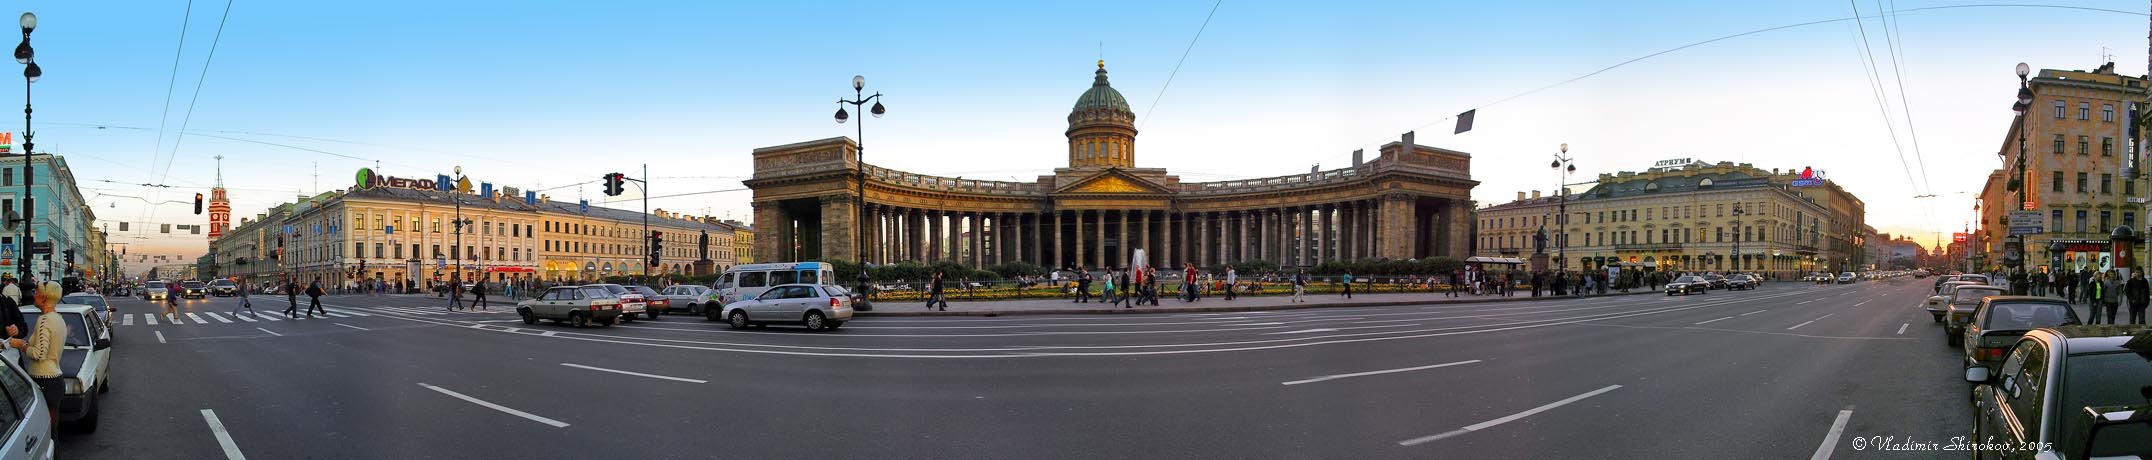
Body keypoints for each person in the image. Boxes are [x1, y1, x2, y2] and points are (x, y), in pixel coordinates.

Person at [25, 281, 66, 409]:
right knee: (52, 426)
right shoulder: (58, 318)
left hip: (44, 380)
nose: (34, 295)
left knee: (44, 425)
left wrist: (21, 346)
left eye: (36, 293)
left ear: (43, 297)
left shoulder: (44, 319)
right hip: (54, 379)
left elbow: (39, 354)